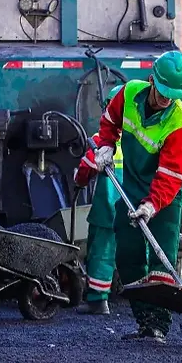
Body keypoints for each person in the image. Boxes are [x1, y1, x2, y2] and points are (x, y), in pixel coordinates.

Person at [92, 51, 182, 343]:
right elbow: (109, 120)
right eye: (163, 92)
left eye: (173, 95)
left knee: (161, 261)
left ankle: (159, 326)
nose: (166, 99)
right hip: (133, 186)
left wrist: (151, 205)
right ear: (152, 81)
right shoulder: (129, 93)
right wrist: (106, 145)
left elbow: (171, 175)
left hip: (167, 194)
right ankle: (144, 322)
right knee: (129, 254)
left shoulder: (179, 123)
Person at [74, 85, 124, 316]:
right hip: (136, 208)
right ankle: (142, 299)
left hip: (107, 209)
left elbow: (87, 168)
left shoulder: (101, 139)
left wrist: (79, 181)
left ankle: (98, 300)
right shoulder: (140, 142)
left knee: (101, 252)